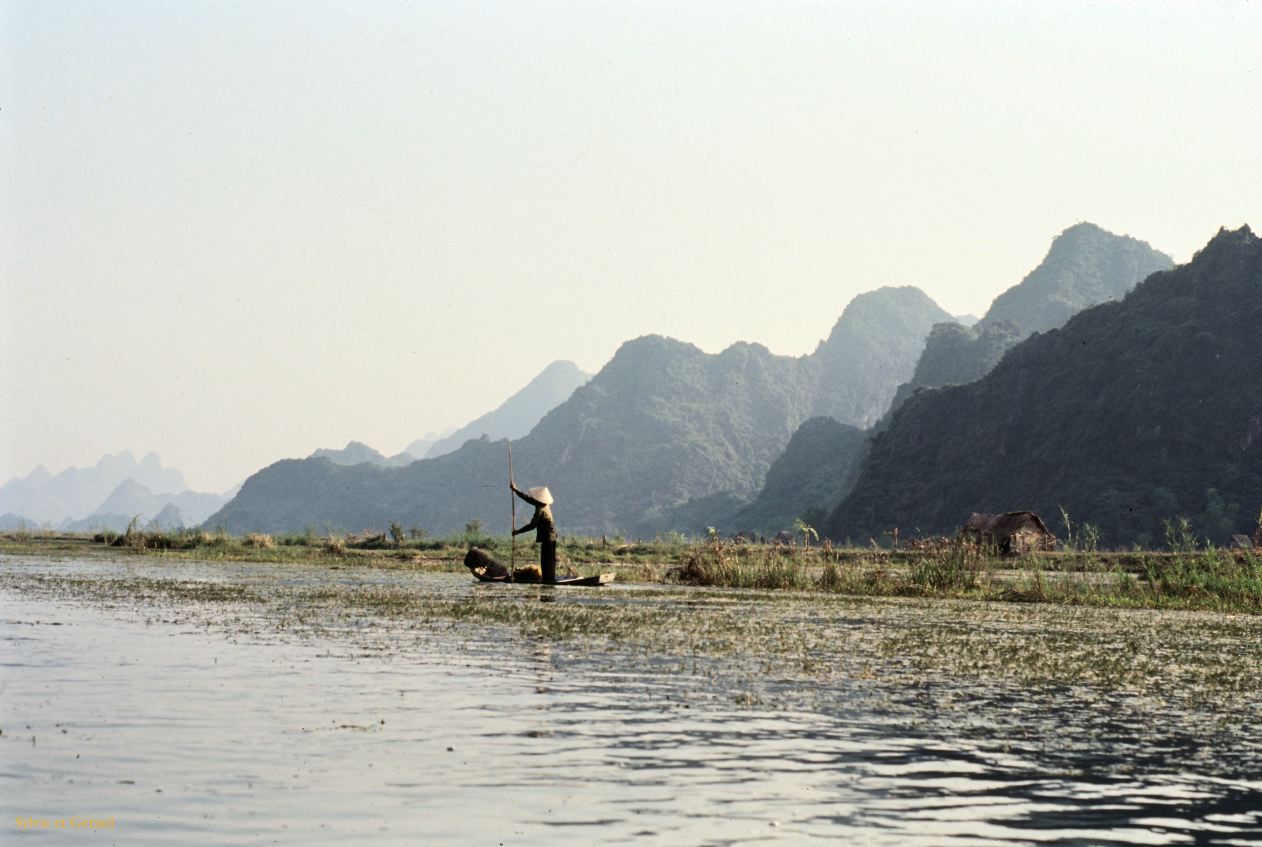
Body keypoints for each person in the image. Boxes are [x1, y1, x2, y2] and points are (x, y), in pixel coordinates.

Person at [511, 483, 557, 583]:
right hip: (551, 537)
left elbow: (532, 526)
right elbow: (528, 499)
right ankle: (549, 579)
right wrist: (516, 490)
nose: (534, 499)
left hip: (547, 538)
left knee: (546, 561)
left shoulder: (540, 510)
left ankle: (548, 580)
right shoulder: (544, 505)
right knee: (550, 561)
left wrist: (517, 532)